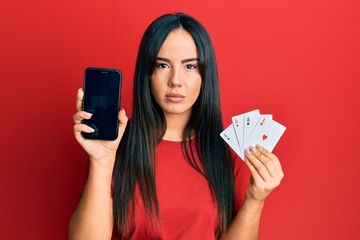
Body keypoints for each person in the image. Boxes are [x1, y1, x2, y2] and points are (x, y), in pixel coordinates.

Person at [69, 12, 284, 240]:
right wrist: (101, 163)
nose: (175, 80)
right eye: (162, 65)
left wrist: (255, 200)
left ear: (205, 75)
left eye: (189, 67)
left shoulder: (230, 153)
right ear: (147, 73)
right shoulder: (115, 144)